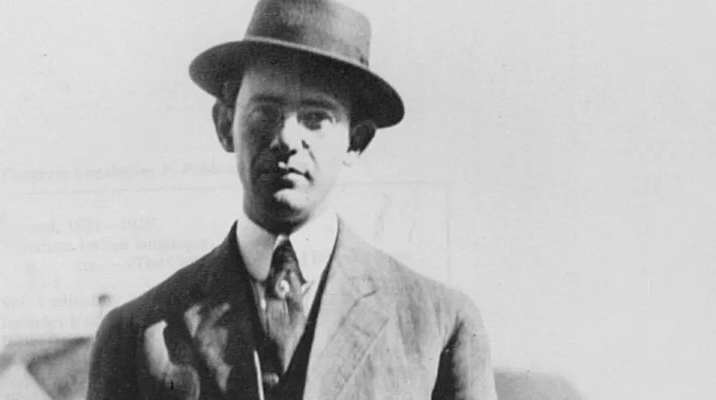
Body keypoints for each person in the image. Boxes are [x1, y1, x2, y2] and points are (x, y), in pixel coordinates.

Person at [87, 1, 497, 399]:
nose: (286, 138)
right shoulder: (137, 333)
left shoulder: (439, 326)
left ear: (356, 141)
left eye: (317, 118)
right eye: (264, 112)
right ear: (225, 125)